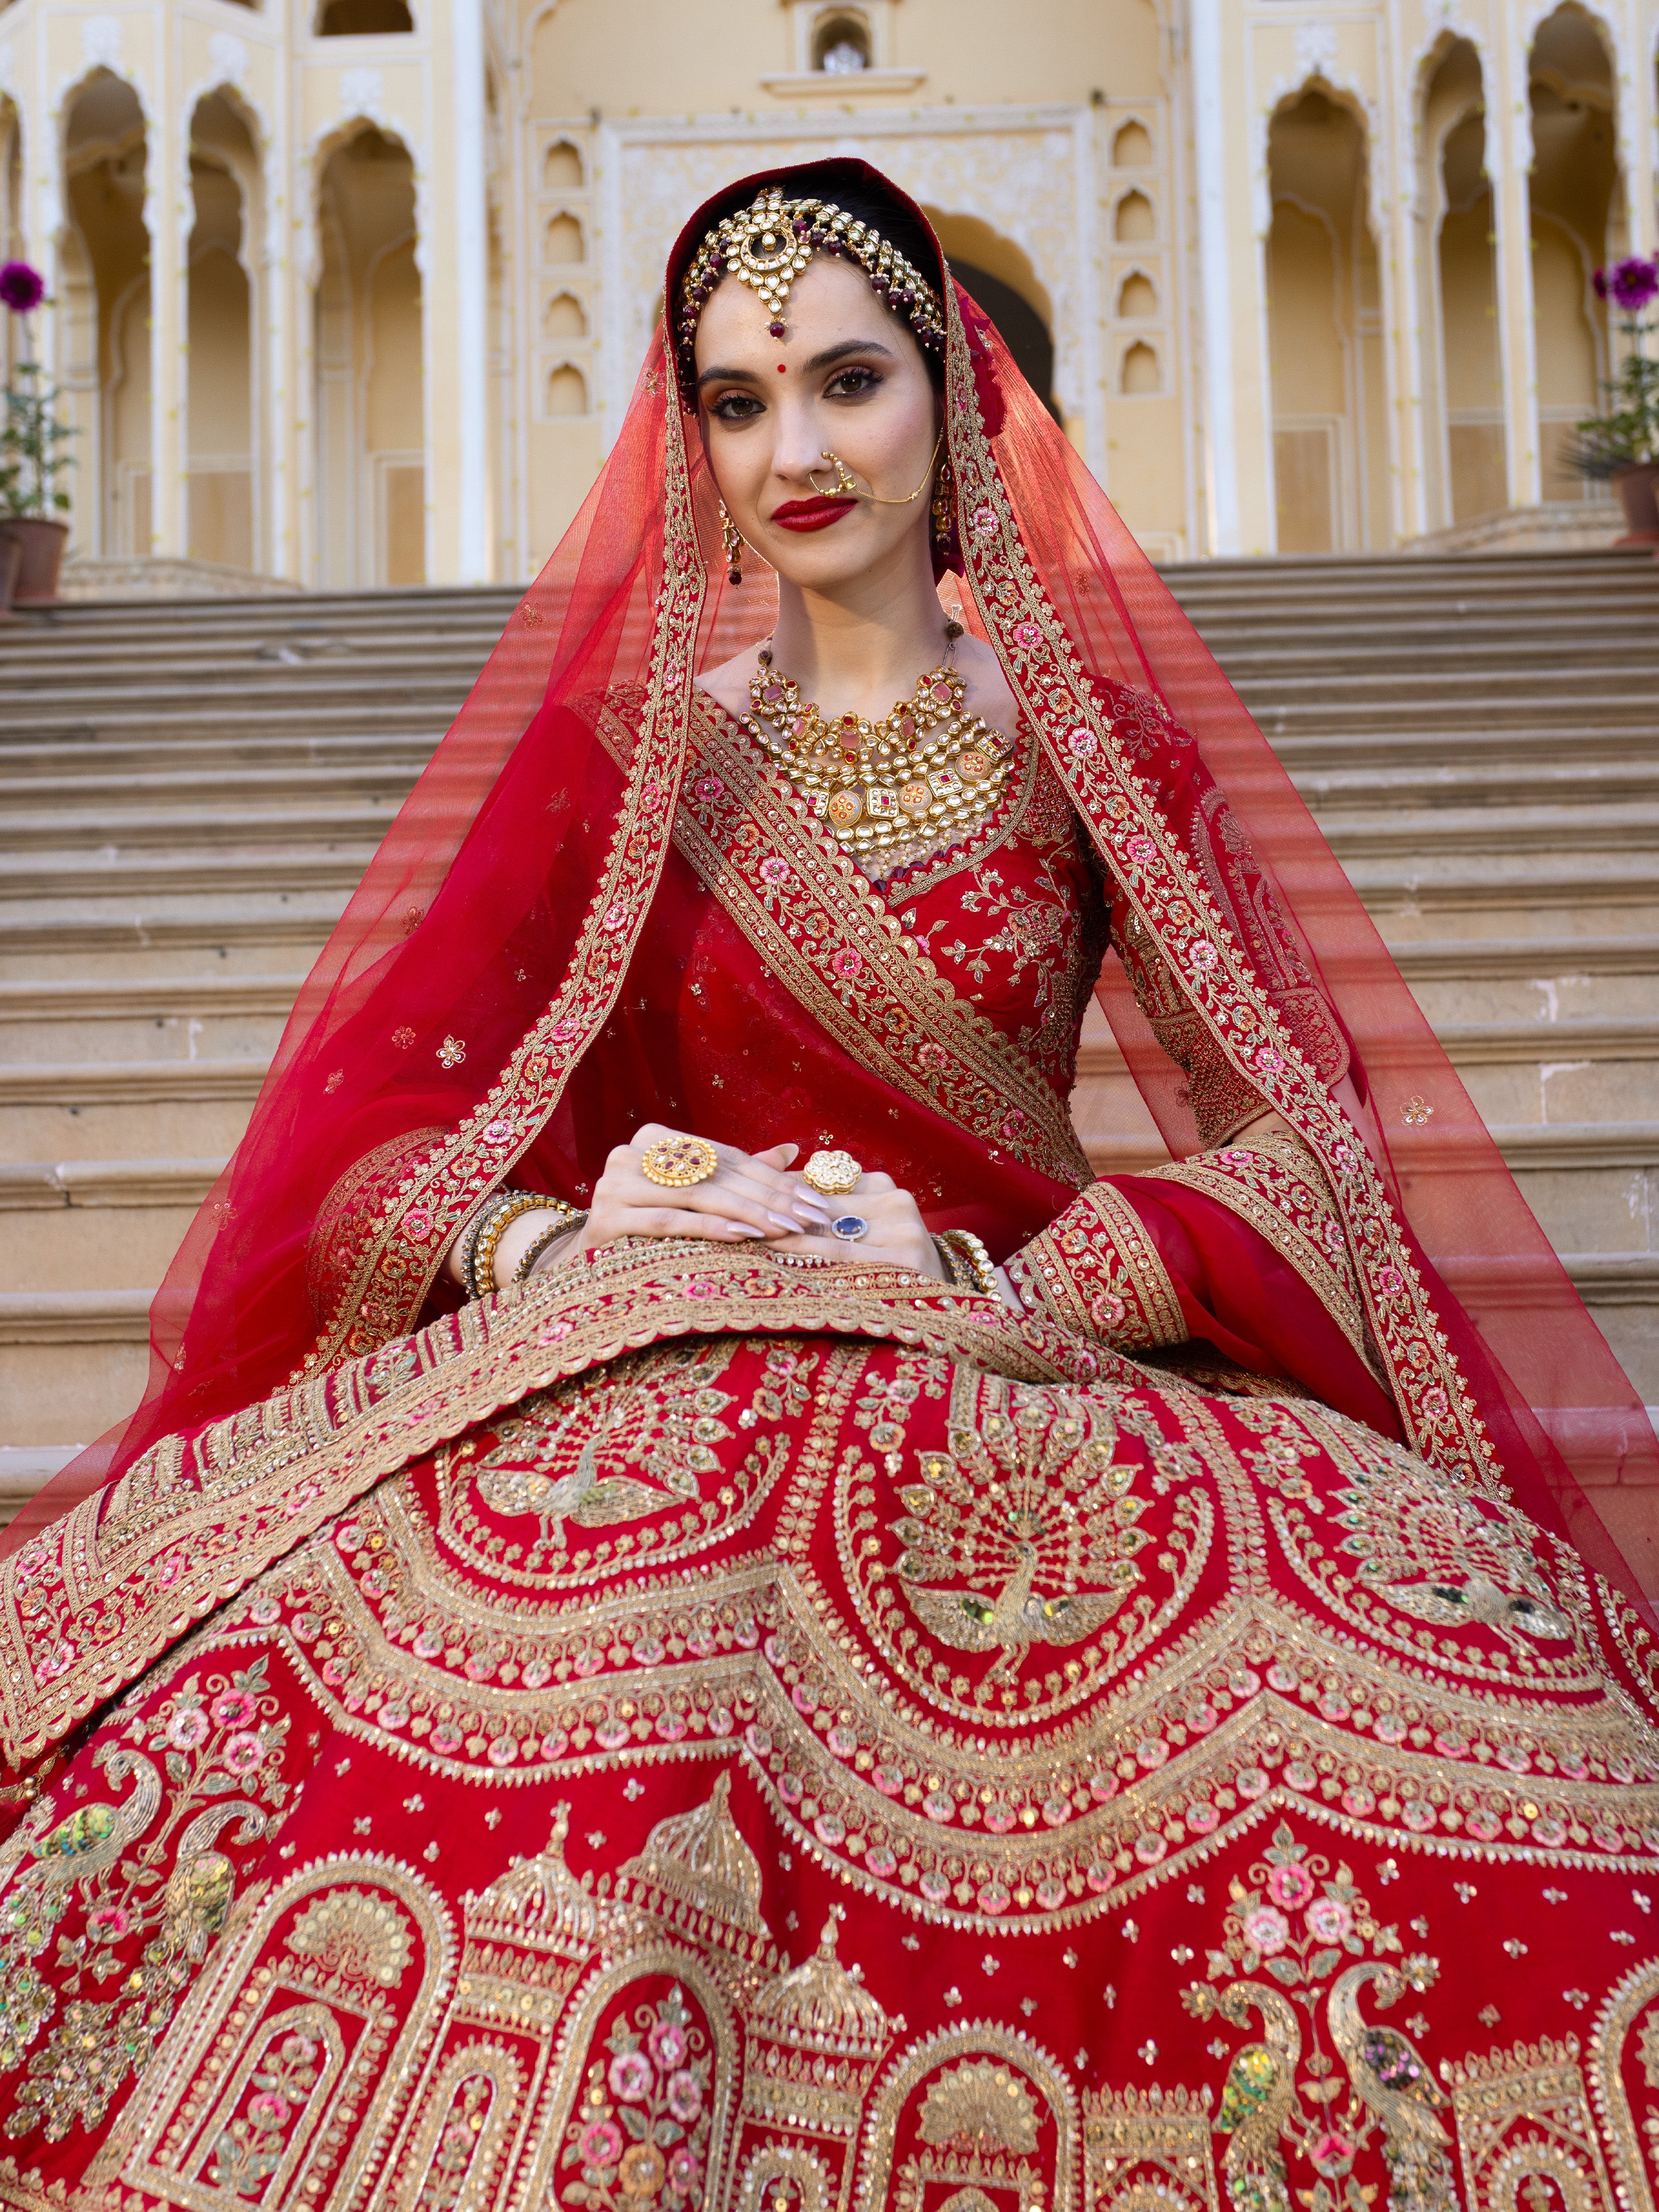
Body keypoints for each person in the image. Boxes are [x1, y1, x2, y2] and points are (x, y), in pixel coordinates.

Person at [0, 162, 1655, 2212]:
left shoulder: (1090, 751)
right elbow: (365, 1153)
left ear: (954, 399)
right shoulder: (631, 769)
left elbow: (1300, 1141)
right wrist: (556, 1234)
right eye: (733, 398)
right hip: (667, 1357)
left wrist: (1004, 1265)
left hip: (1025, 1361)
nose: (793, 447)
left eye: (848, 381)